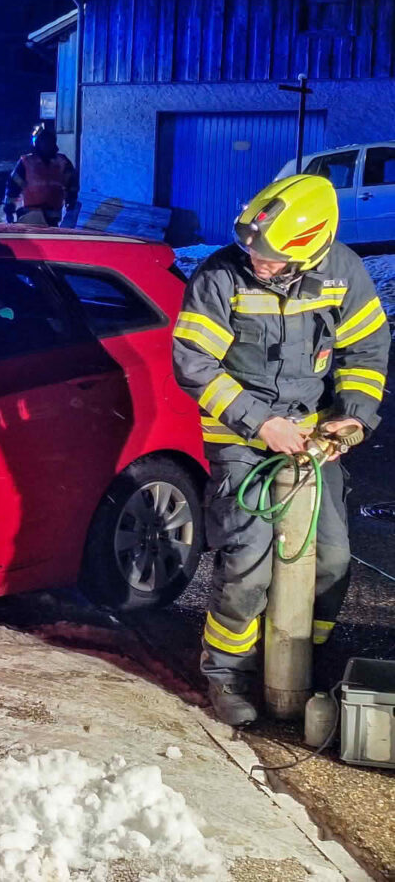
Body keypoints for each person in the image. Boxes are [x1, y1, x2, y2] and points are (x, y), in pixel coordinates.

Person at [172, 174, 390, 725]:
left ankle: (297, 657)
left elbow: (367, 353)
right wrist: (259, 422)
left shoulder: (342, 272)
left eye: (268, 256)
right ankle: (227, 673)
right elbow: (194, 363)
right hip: (242, 441)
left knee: (334, 559)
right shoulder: (220, 277)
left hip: (314, 441)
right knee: (248, 563)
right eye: (251, 248)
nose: (256, 260)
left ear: (311, 251)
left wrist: (352, 421)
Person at [3, 124, 78, 226]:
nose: (47, 146)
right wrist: (9, 210)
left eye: (50, 143)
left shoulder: (62, 162)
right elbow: (12, 188)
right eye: (45, 143)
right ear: (38, 144)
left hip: (52, 221)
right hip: (30, 218)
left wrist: (71, 201)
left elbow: (72, 185)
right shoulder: (26, 163)